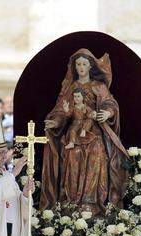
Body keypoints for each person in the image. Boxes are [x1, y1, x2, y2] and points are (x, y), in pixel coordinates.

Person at [41, 49, 128, 214]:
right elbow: (62, 111)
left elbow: (110, 103)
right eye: (78, 64)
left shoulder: (99, 86)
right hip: (74, 130)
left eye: (84, 64)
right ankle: (72, 202)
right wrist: (56, 122)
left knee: (97, 151)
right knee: (73, 155)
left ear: (90, 67)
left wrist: (108, 112)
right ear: (74, 67)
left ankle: (93, 201)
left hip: (94, 130)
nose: (81, 67)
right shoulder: (70, 88)